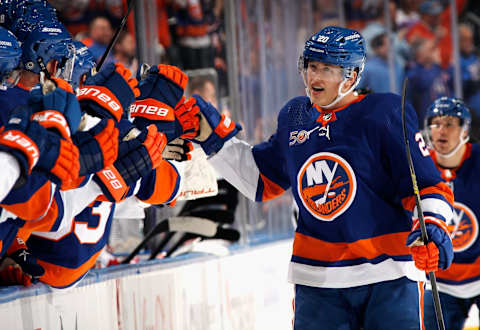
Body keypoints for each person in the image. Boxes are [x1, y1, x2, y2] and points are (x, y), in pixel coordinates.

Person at [188, 26, 455, 329]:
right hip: (318, 281)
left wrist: (431, 228)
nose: (315, 77)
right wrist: (212, 139)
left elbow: (427, 185)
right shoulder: (296, 116)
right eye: (312, 66)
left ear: (351, 77)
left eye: (327, 69)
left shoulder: (384, 112)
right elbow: (261, 181)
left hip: (389, 276)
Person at [422, 97, 480, 330]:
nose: (441, 130)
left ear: (465, 130)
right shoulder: (420, 166)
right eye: (435, 123)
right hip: (439, 282)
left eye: (449, 123)